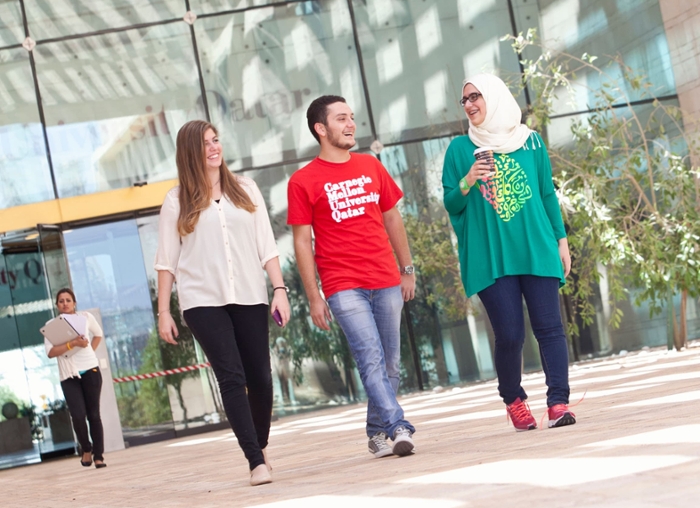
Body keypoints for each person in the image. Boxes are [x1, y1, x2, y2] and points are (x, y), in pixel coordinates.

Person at [155, 120, 290, 486]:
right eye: (205, 144)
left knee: (260, 379)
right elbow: (167, 260)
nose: (214, 148)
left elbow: (267, 245)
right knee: (231, 376)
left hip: (248, 293)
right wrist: (164, 311)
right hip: (202, 301)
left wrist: (280, 289)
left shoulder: (246, 189)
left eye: (216, 140)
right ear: (190, 153)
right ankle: (254, 461)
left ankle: (259, 446)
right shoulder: (176, 200)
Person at [442, 73, 575, 431]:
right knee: (511, 334)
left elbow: (547, 193)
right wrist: (469, 179)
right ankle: (513, 399)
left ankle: (558, 402)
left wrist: (561, 241)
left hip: (537, 247)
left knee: (550, 328)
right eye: (465, 99)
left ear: (495, 97)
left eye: (476, 97)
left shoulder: (530, 143)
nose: (470, 104)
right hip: (492, 256)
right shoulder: (459, 150)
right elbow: (451, 203)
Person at [287, 95, 417, 458]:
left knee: (391, 362)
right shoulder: (302, 181)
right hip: (343, 285)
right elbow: (301, 242)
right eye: (341, 118)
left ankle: (377, 432)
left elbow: (393, 219)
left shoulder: (371, 166)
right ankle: (398, 425)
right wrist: (314, 296)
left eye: (352, 117)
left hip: (386, 278)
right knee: (370, 356)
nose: (350, 124)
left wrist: (407, 270)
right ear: (321, 128)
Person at [44, 288, 106, 468]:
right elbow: (50, 352)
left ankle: (99, 456)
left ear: (74, 302)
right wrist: (73, 344)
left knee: (94, 415)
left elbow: (98, 334)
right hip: (69, 375)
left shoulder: (86, 317)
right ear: (57, 305)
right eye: (61, 301)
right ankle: (86, 448)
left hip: (91, 371)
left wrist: (89, 351)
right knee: (78, 416)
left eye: (68, 300)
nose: (65, 303)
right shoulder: (52, 325)